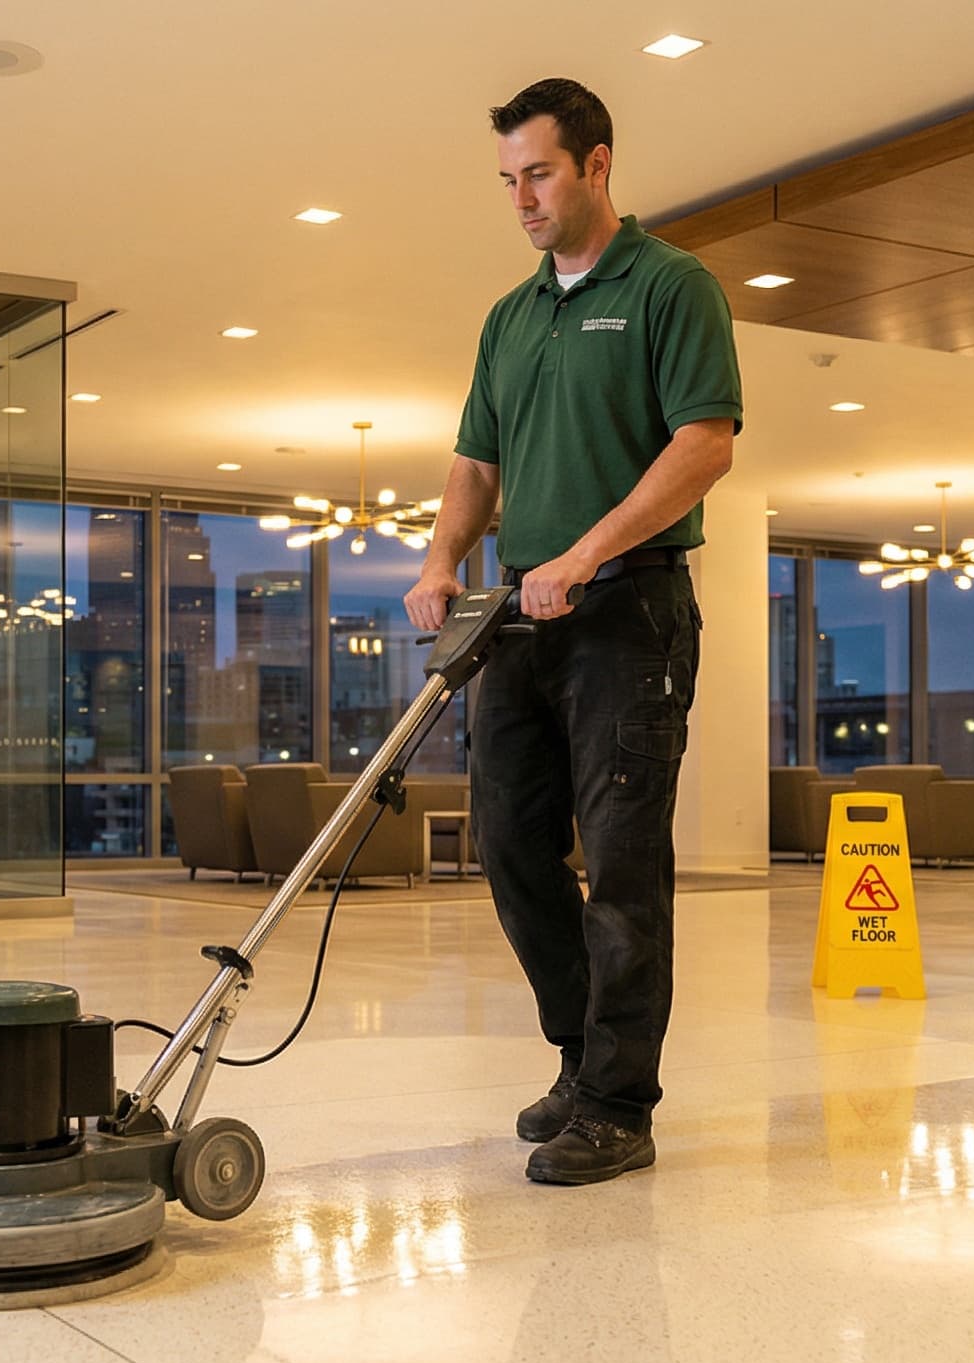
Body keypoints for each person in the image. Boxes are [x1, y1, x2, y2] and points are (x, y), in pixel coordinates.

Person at [404, 78, 740, 1185]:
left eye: (538, 173)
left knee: (626, 862)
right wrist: (441, 559)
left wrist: (587, 552)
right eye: (507, 180)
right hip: (517, 618)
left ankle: (618, 1104)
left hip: (627, 609)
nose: (522, 199)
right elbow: (476, 463)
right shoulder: (512, 315)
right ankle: (578, 1054)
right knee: (508, 843)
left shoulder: (669, 286)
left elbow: (703, 444)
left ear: (596, 165)